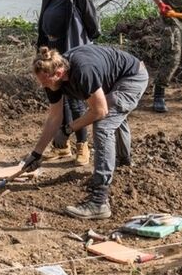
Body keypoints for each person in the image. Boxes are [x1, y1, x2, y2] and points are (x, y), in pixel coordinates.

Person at [20, 45, 148, 220]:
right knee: (113, 112)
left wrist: (68, 129)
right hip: (114, 80)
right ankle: (124, 163)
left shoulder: (82, 71)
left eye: (44, 82)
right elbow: (54, 117)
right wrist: (36, 154)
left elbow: (99, 111)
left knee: (104, 125)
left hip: (132, 77)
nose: (43, 86)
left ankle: (99, 201)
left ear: (58, 74)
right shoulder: (53, 73)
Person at [36, 0, 101, 166]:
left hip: (73, 51)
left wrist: (82, 49)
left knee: (75, 101)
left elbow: (94, 27)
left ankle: (83, 146)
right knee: (58, 100)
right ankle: (62, 147)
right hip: (51, 51)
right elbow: (42, 23)